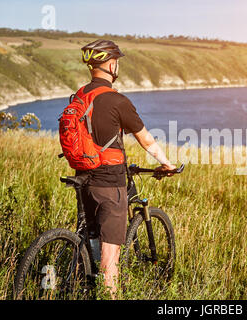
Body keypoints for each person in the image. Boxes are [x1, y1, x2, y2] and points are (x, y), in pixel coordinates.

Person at [78, 39, 176, 298]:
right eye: (116, 62)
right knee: (111, 258)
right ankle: (107, 290)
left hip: (82, 177)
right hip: (109, 182)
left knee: (92, 236)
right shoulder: (117, 100)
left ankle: (84, 275)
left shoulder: (78, 96)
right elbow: (146, 140)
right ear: (111, 65)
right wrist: (166, 163)